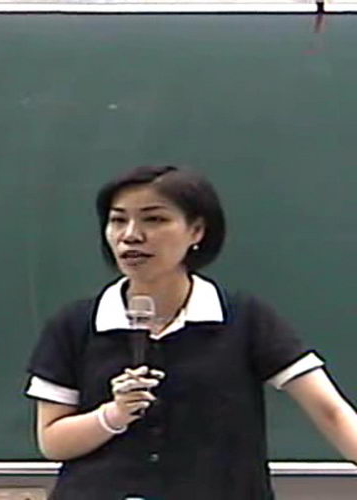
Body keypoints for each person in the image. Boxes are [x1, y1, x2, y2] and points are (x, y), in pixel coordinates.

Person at [25, 165, 357, 499]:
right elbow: (53, 441)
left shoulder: (243, 319)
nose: (131, 235)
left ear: (196, 231)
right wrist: (113, 415)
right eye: (118, 220)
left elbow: (330, 411)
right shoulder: (76, 324)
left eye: (154, 219)